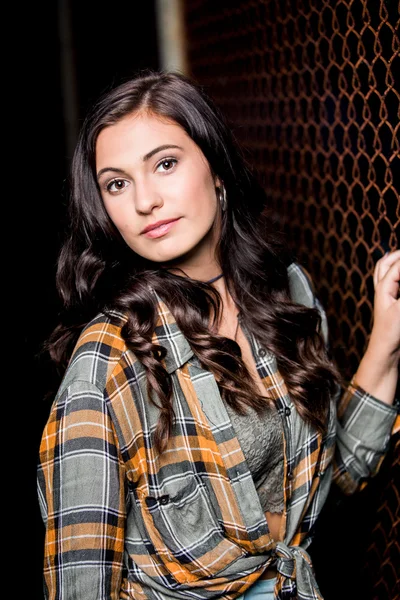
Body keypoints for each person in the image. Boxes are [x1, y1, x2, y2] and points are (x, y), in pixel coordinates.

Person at [37, 69, 399, 600]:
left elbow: (331, 482)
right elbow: (80, 587)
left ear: (218, 170)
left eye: (165, 164)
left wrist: (387, 339)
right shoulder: (108, 361)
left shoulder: (284, 292)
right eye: (117, 183)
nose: (144, 202)